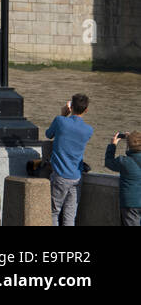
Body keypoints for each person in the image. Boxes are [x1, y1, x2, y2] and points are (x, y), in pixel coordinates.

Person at [46, 93, 93, 227]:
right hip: (77, 177)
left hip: (60, 175)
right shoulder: (89, 130)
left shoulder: (60, 121)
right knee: (70, 214)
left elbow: (49, 134)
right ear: (86, 110)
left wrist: (62, 114)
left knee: (54, 212)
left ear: (71, 106)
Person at [105, 130, 141, 227]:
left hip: (130, 203)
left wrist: (113, 145)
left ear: (129, 145)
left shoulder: (124, 161)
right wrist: (133, 138)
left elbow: (108, 162)